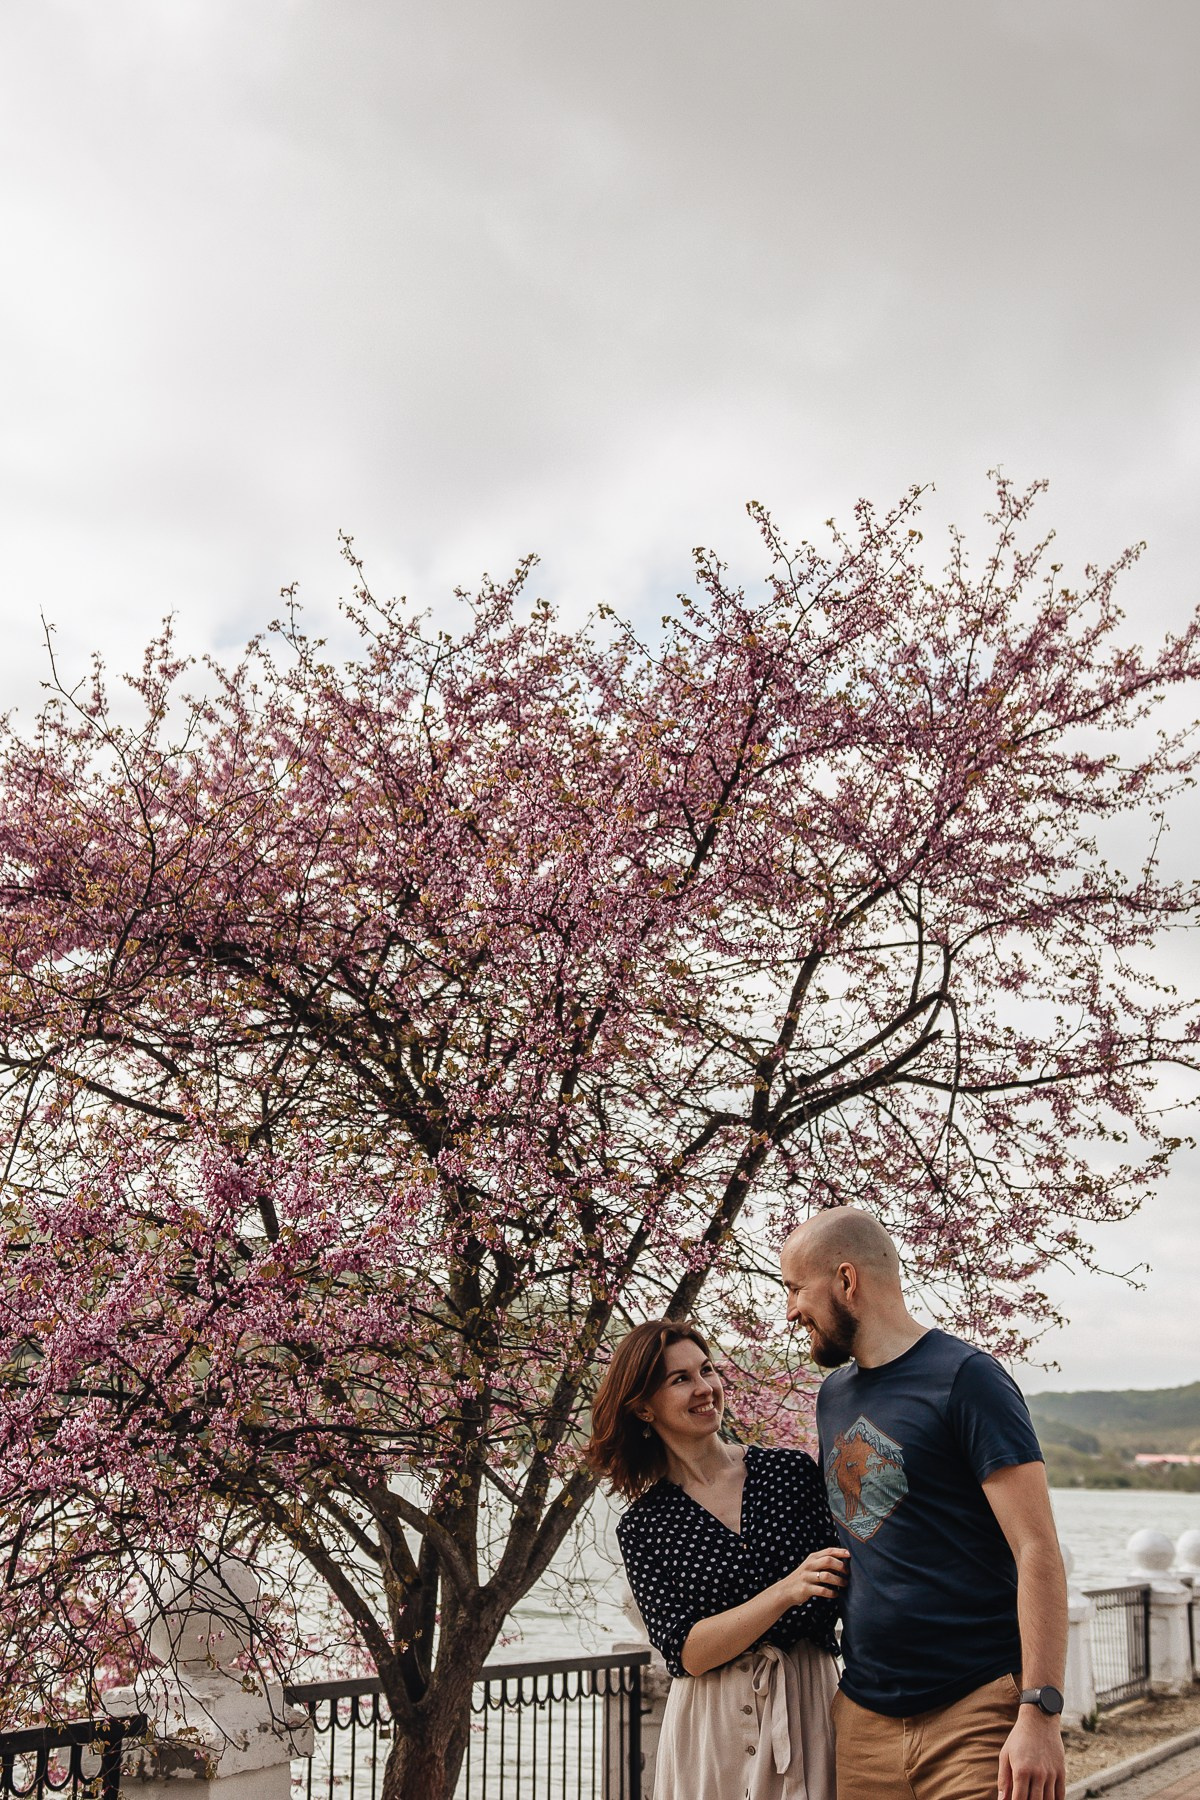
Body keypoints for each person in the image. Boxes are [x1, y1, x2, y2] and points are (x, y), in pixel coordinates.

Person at [779, 1208, 1068, 1800]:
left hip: (975, 1711)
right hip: (862, 1721)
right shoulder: (833, 1395)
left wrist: (1040, 1712)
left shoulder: (967, 1379)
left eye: (795, 1289)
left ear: (846, 1280)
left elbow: (1036, 1546)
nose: (789, 1311)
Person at [586, 1318, 849, 1800]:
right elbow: (685, 1650)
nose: (705, 1388)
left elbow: (842, 1585)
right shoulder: (645, 1526)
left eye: (707, 1370)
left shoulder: (790, 1473)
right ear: (644, 1408)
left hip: (807, 1702)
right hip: (711, 1727)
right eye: (680, 1379)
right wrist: (784, 1592)